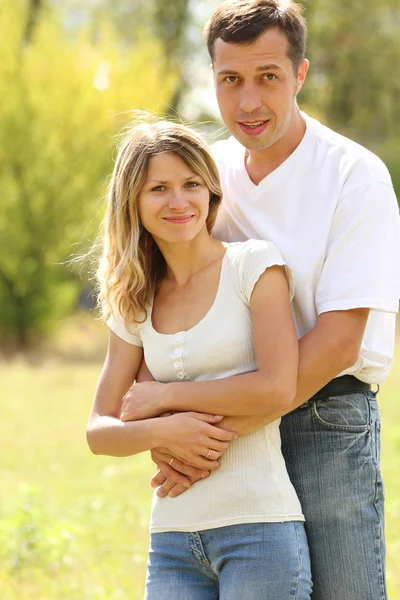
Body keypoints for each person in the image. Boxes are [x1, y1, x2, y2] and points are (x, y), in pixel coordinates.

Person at [122, 2, 400, 599]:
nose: (248, 102)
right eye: (231, 80)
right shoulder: (207, 177)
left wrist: (208, 436)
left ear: (300, 75)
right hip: (226, 414)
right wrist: (177, 433)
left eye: (268, 77)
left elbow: (339, 339)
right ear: (212, 79)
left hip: (325, 418)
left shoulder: (355, 175)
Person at [86, 119, 313, 599]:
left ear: (211, 193)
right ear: (133, 202)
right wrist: (162, 431)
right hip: (171, 538)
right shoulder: (136, 298)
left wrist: (166, 397)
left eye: (191, 185)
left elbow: (276, 387)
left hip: (260, 529)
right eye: (159, 189)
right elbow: (99, 430)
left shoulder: (254, 265)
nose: (178, 201)